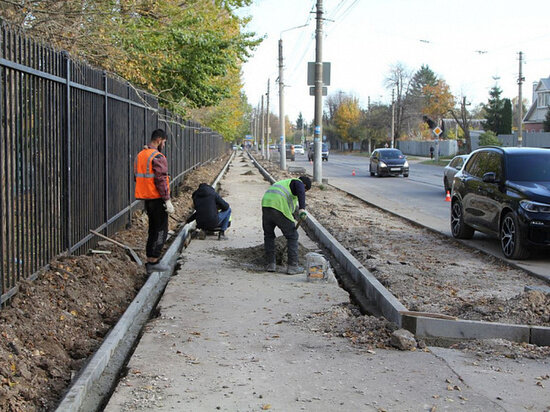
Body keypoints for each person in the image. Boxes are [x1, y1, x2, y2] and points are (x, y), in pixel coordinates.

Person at [134, 129, 174, 274]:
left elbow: (137, 177)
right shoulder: (158, 156)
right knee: (161, 230)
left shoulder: (141, 155)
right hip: (157, 198)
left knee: (153, 228)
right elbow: (161, 179)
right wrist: (167, 200)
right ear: (159, 140)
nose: (164, 145)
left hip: (146, 198)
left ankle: (151, 259)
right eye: (164, 142)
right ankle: (154, 261)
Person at [261, 176, 311, 275]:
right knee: (293, 236)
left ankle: (270, 265)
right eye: (306, 190)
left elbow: (290, 210)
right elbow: (301, 191)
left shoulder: (284, 184)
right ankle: (293, 267)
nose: (304, 192)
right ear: (304, 185)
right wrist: (302, 209)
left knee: (269, 235)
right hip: (278, 207)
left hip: (266, 205)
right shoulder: (298, 182)